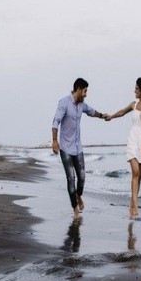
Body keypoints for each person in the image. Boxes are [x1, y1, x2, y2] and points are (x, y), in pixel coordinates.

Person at [52, 78, 107, 218]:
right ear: (78, 89)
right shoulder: (64, 102)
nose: (86, 94)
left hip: (78, 149)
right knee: (71, 179)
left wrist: (103, 116)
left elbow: (91, 111)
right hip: (65, 148)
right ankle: (75, 208)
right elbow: (55, 121)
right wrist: (54, 141)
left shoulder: (82, 105)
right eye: (85, 91)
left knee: (82, 177)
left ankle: (78, 195)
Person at [106, 77, 141, 219]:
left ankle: (131, 206)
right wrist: (111, 116)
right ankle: (135, 204)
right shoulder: (133, 105)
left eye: (136, 88)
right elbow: (122, 112)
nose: (134, 91)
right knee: (135, 172)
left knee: (138, 177)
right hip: (132, 141)